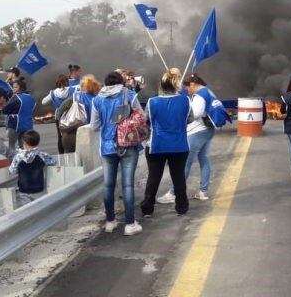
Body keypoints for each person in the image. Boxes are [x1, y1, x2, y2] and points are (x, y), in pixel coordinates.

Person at [90, 72, 143, 236]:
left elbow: (94, 126)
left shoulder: (97, 99)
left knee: (108, 185)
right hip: (128, 145)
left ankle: (110, 221)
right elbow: (143, 116)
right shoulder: (129, 94)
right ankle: (129, 224)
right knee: (127, 185)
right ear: (121, 82)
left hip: (107, 147)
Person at [158, 74, 217, 203]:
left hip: (197, 131)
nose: (187, 91)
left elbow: (194, 114)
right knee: (204, 160)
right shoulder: (208, 91)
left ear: (192, 84)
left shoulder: (199, 96)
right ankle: (203, 191)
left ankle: (174, 193)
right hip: (208, 130)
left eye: (187, 88)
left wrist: (181, 114)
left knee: (184, 163)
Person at [140, 70, 191, 218]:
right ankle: (182, 207)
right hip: (179, 145)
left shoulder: (152, 102)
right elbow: (190, 118)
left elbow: (146, 122)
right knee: (178, 177)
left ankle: (147, 209)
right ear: (176, 85)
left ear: (161, 85)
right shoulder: (185, 100)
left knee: (154, 177)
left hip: (157, 145)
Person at [8, 130, 57, 206]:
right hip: (38, 189)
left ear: (24, 143)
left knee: (26, 211)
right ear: (37, 142)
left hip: (23, 190)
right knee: (39, 208)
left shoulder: (18, 157)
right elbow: (53, 162)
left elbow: (12, 171)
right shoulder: (43, 155)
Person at [57, 74, 102, 152]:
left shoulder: (75, 97)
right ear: (96, 86)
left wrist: (63, 123)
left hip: (71, 135)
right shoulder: (98, 100)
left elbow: (60, 110)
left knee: (72, 160)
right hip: (90, 135)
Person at [42, 74, 75, 154]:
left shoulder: (53, 93)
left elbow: (43, 102)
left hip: (59, 117)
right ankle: (72, 151)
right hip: (71, 115)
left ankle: (61, 154)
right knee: (72, 134)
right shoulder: (72, 90)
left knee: (60, 136)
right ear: (67, 82)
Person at [1, 79, 36, 150]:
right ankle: (24, 161)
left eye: (15, 87)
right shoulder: (32, 98)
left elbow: (4, 110)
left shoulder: (16, 98)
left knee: (11, 146)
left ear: (21, 88)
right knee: (24, 147)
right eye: (13, 87)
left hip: (15, 125)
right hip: (28, 125)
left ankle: (13, 161)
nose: (13, 89)